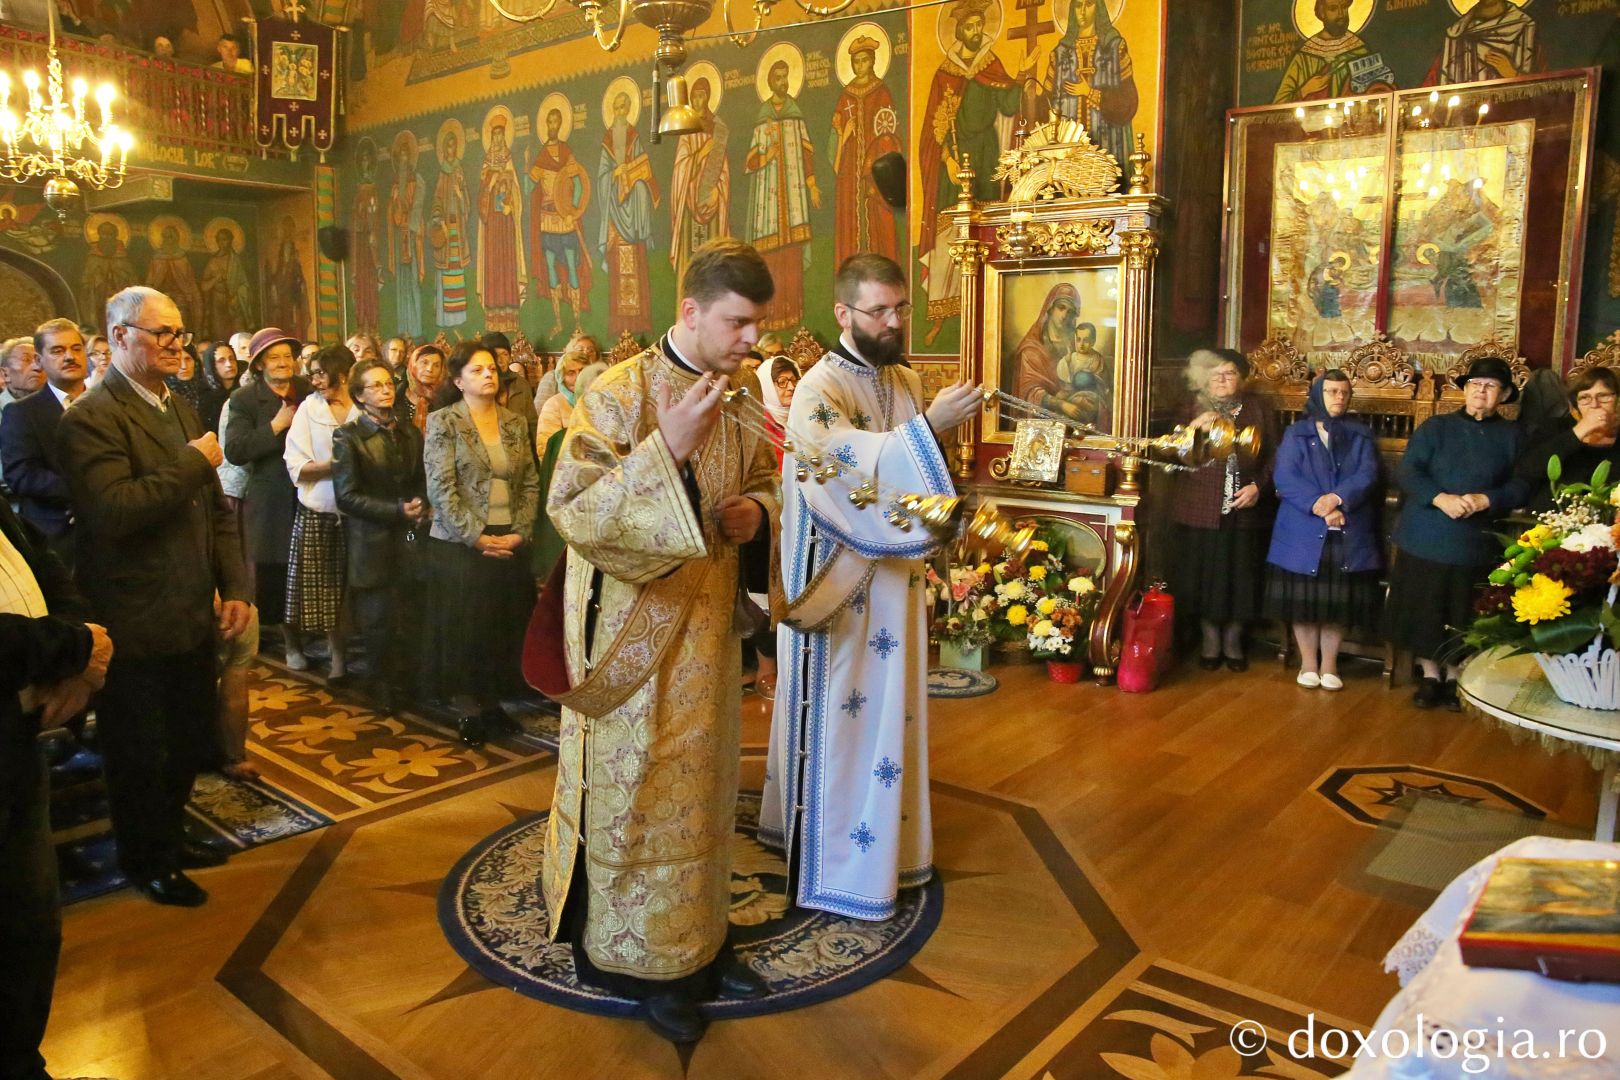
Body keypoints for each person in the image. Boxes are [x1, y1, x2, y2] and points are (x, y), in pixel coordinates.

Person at [538, 238, 781, 1044]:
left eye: (757, 324)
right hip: (631, 649)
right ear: (690, 310)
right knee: (637, 792)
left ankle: (697, 941)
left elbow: (762, 482)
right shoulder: (616, 393)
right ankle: (634, 957)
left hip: (708, 641)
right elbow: (574, 510)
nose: (752, 340)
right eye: (738, 323)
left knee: (703, 789)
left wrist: (758, 512)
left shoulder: (739, 396)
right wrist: (667, 450)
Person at [760, 253, 979, 924]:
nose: (892, 321)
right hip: (839, 588)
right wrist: (928, 429)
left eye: (900, 308)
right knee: (843, 719)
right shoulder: (818, 388)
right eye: (878, 310)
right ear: (843, 313)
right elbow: (840, 470)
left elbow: (913, 479)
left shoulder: (906, 380)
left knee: (893, 715)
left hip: (897, 582)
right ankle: (838, 865)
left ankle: (888, 848)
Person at [57, 286, 252, 906]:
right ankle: (147, 860)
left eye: (178, 333)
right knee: (140, 749)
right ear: (118, 337)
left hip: (193, 605)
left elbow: (215, 510)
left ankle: (172, 836)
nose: (176, 344)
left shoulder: (179, 405)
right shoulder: (90, 416)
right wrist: (195, 463)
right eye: (161, 333)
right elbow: (114, 512)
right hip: (133, 613)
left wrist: (236, 585)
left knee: (190, 737)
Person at [0, 497, 111, 1080]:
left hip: (17, 747)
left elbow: (47, 568)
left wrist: (84, 650)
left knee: (31, 928)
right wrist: (75, 649)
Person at [1387, 355, 1528, 709]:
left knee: (1463, 609)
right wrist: (1439, 498)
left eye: (1491, 386)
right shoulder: (1436, 427)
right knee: (1425, 606)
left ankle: (1456, 677)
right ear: (1464, 390)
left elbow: (1523, 485)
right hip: (1427, 532)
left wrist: (1487, 499)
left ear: (1504, 394)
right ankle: (1430, 675)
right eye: (1475, 385)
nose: (1481, 391)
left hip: (1475, 539)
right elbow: (1409, 472)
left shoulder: (1514, 436)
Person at [422, 342, 539, 743]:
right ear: (458, 381)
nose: (488, 375)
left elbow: (530, 482)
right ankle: (470, 709)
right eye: (477, 370)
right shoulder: (443, 422)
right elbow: (441, 488)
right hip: (460, 545)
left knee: (502, 626)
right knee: (466, 629)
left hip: (508, 538)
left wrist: (519, 532)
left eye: (491, 368)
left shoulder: (514, 422)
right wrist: (477, 537)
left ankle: (494, 703)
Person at [1264, 371, 1382, 691]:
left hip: (1348, 524)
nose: (1338, 397)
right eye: (1331, 391)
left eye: (1344, 392)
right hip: (1303, 527)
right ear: (1318, 394)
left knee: (1336, 601)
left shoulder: (1361, 434)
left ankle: (1329, 664)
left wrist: (1338, 501)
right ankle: (1308, 663)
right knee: (1304, 602)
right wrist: (1320, 505)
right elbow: (1285, 477)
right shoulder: (1296, 433)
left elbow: (1368, 474)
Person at [1169, 348, 1277, 671]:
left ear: (1241, 379)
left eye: (1229, 373)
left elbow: (1275, 454)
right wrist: (1193, 428)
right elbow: (1172, 453)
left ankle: (1234, 640)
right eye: (1215, 373)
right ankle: (1209, 640)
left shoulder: (1258, 409)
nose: (1221, 379)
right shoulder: (1190, 407)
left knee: (1240, 576)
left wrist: (1259, 487)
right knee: (1203, 576)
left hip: (1245, 509)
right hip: (1199, 507)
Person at [333, 360, 429, 715]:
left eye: (389, 383)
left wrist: (422, 503)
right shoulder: (348, 437)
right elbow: (346, 495)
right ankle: (381, 685)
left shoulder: (408, 433)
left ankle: (409, 681)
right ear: (359, 395)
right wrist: (395, 510)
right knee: (378, 620)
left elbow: (420, 477)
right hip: (370, 539)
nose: (386, 389)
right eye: (375, 385)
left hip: (408, 537)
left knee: (410, 613)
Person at [224, 328, 312, 669]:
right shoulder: (244, 399)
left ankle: (317, 635)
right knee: (279, 571)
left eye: (288, 357)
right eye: (274, 358)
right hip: (272, 494)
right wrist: (275, 426)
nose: (282, 363)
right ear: (259, 364)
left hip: (310, 490)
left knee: (312, 565)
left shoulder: (307, 390)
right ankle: (291, 642)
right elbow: (235, 450)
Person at [284, 345, 359, 683]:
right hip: (320, 510)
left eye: (319, 372)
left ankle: (351, 651)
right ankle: (336, 659)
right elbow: (297, 464)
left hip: (358, 513)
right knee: (324, 590)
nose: (313, 379)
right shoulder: (307, 411)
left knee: (351, 588)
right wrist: (338, 465)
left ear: (342, 374)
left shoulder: (362, 407)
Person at [1, 319, 89, 571]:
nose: (70, 357)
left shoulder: (110, 405)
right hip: (58, 536)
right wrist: (87, 493)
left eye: (76, 349)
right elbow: (21, 474)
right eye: (58, 351)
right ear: (39, 361)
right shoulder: (22, 413)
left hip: (115, 532)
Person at [1515, 367, 1620, 512]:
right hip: (1552, 523)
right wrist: (1579, 432)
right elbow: (1527, 470)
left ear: (1617, 400)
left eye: (1603, 396)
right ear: (1575, 404)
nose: (1594, 404)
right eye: (1585, 398)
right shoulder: (1553, 428)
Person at [479, 331, 538, 440]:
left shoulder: (521, 384)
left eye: (505, 354)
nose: (501, 361)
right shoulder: (479, 385)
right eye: (495, 355)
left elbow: (532, 423)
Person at [535, 347, 587, 447]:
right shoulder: (553, 405)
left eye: (582, 371)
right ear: (562, 378)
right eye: (571, 373)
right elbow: (546, 448)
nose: (578, 377)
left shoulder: (597, 400)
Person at [399, 343, 445, 434]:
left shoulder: (445, 400)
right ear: (413, 364)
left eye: (436, 365)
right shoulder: (396, 396)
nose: (429, 369)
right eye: (424, 362)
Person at [198, 340, 240, 435]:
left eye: (231, 358)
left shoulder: (245, 392)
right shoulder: (204, 397)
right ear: (212, 365)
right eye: (221, 361)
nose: (229, 364)